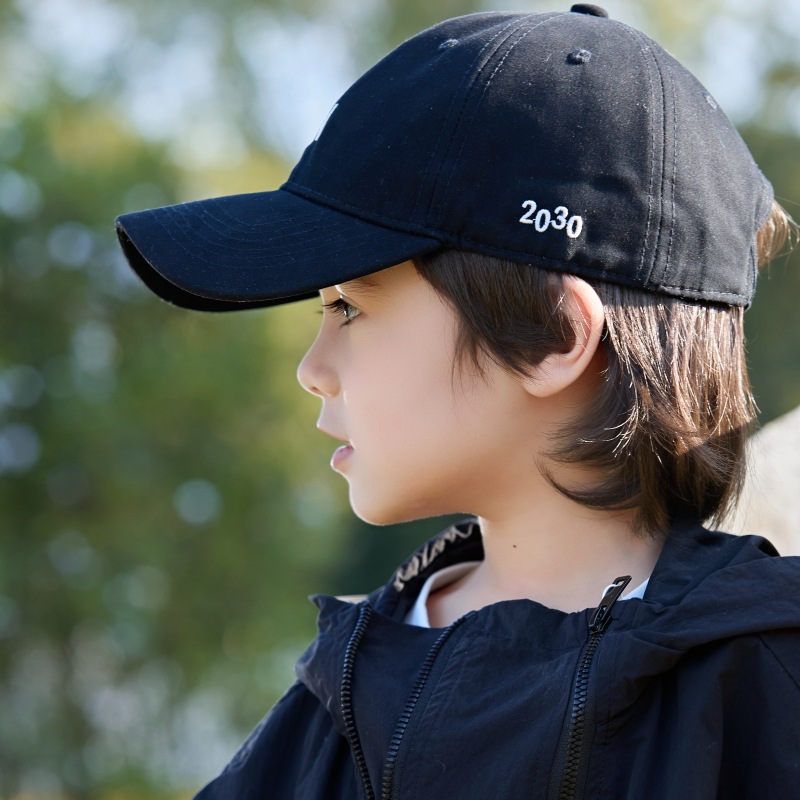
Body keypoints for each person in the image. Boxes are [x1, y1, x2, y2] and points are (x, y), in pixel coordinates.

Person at [115, 5, 800, 798]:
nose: (311, 368)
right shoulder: (327, 710)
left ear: (552, 336)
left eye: (349, 307)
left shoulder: (767, 689)